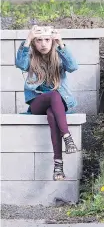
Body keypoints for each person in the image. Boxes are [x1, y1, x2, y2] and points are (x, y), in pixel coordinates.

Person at [16, 25, 79, 181]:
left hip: (58, 104)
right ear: (34, 43)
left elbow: (73, 66)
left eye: (47, 40)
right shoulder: (30, 57)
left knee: (52, 114)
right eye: (39, 40)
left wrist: (61, 44)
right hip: (38, 102)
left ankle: (58, 165)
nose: (43, 44)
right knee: (53, 95)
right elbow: (20, 64)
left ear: (52, 41)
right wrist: (27, 39)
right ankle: (67, 136)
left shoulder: (59, 56)